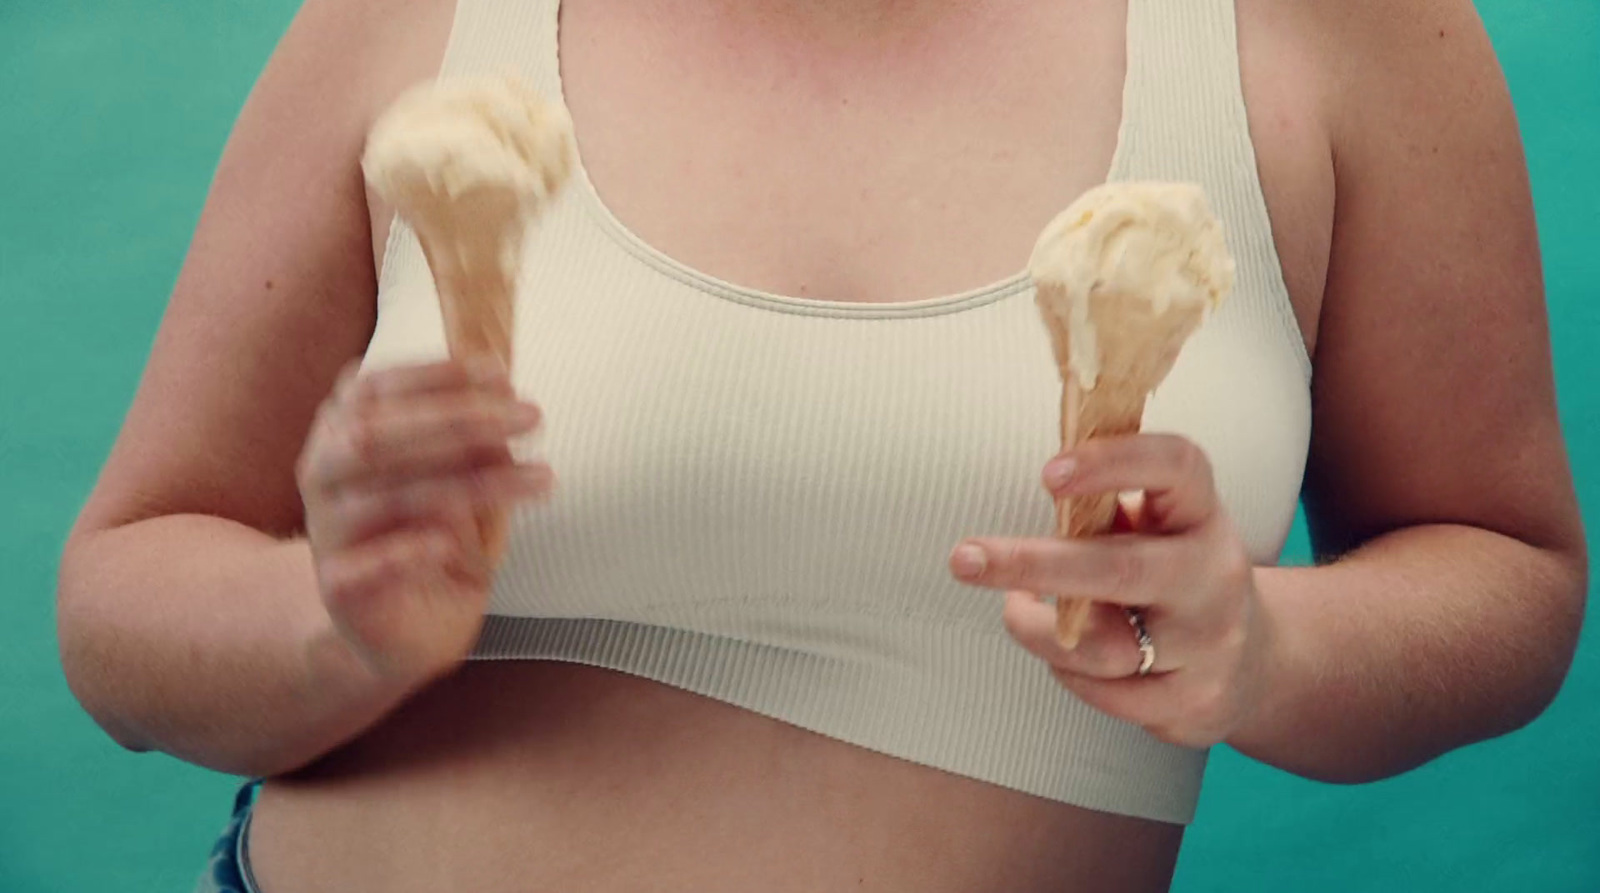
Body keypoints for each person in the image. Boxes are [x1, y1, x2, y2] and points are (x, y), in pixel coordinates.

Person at [57, 0, 1587, 890]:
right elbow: (120, 604)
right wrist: (337, 624)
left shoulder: (1338, 32)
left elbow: (1511, 573)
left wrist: (1264, 647)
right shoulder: (427, 16)